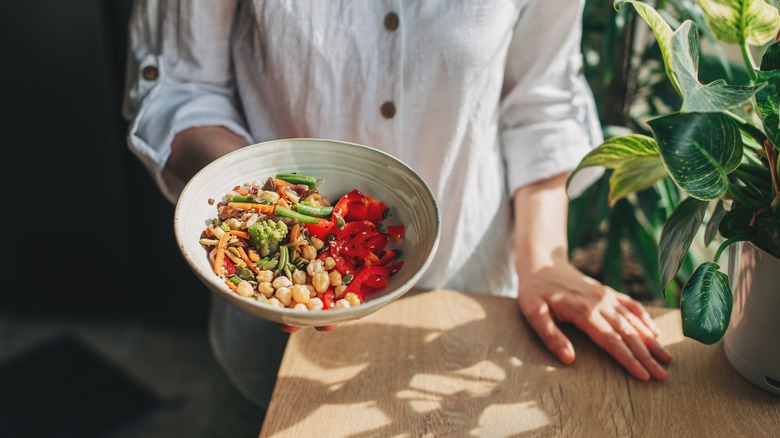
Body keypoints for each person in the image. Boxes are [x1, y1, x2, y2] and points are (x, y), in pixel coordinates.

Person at [123, 0, 673, 435]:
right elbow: (182, 87)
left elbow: (539, 98)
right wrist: (270, 211)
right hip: (272, 344)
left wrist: (545, 261)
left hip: (468, 313)